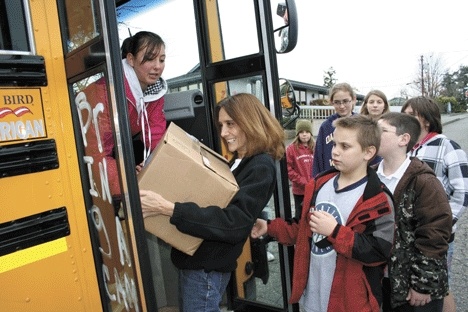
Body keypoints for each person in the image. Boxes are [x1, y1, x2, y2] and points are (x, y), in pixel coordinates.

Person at [139, 93, 285, 311]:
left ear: (250, 122)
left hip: (206, 270)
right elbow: (210, 201)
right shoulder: (239, 161)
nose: (224, 133)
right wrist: (157, 175)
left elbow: (233, 223)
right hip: (198, 264)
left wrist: (168, 208)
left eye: (230, 124)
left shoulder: (260, 166)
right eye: (221, 125)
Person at [252, 115, 395, 312]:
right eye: (334, 144)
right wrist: (269, 227)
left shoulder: (377, 199)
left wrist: (335, 232)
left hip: (351, 304)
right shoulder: (319, 184)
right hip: (313, 298)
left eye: (345, 147)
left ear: (368, 152)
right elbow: (302, 228)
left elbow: (379, 251)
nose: (335, 152)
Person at [376, 112, 452, 312]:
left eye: (381, 130)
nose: (373, 134)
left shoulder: (424, 181)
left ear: (404, 139)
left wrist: (423, 285)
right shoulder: (370, 176)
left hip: (413, 290)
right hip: (381, 282)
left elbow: (434, 235)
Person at [401, 97, 468, 312]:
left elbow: (463, 192)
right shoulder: (406, 148)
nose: (406, 119)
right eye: (405, 113)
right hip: (408, 237)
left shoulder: (447, 146)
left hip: (437, 238)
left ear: (427, 120)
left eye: (412, 114)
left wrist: (444, 224)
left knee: (439, 287)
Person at [121, 31, 168, 167]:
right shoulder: (110, 89)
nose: (158, 66)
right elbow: (98, 147)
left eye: (162, 60)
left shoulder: (155, 93)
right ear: (131, 59)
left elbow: (155, 135)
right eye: (150, 58)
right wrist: (127, 177)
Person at [312, 82, 356, 177]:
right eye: (337, 102)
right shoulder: (326, 126)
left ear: (353, 100)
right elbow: (318, 158)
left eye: (345, 101)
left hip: (355, 178)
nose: (341, 106)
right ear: (332, 102)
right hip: (330, 177)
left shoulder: (362, 125)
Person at [286, 119, 315, 219]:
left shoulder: (315, 147)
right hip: (299, 191)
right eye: (301, 132)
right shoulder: (291, 149)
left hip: (314, 189)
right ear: (297, 134)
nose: (304, 135)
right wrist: (302, 181)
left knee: (312, 214)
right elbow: (288, 169)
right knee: (300, 215)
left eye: (307, 132)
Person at [360, 89, 390, 165]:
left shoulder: (391, 126)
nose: (375, 105)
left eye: (379, 102)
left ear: (384, 106)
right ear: (366, 105)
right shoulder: (358, 125)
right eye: (371, 102)